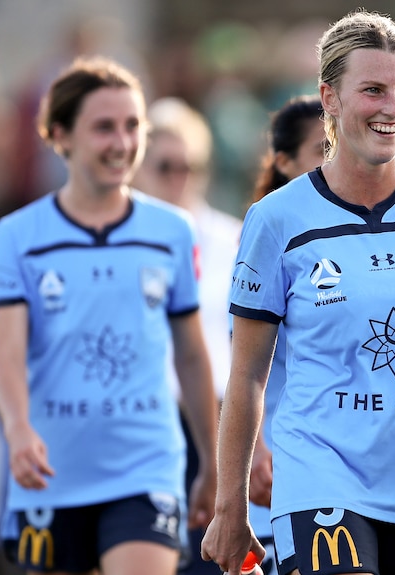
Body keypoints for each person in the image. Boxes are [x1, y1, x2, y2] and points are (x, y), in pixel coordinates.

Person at [201, 11, 395, 575]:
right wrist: (230, 505)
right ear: (330, 99)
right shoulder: (276, 219)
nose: (393, 108)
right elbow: (246, 374)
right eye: (373, 90)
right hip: (321, 475)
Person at [0, 55, 218, 575]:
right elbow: (6, 351)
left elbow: (192, 354)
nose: (122, 142)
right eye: (104, 127)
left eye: (133, 125)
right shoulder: (17, 236)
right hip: (50, 470)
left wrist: (213, 461)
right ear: (60, 136)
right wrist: (18, 429)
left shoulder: (173, 232)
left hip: (145, 466)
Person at [131, 96, 240, 575]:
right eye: (166, 166)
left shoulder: (234, 239)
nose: (180, 178)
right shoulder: (120, 244)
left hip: (216, 423)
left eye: (190, 167)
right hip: (144, 423)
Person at [246, 94, 327, 575]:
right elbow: (243, 367)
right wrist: (253, 451)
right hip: (282, 466)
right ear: (283, 162)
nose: (333, 161)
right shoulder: (265, 238)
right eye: (321, 149)